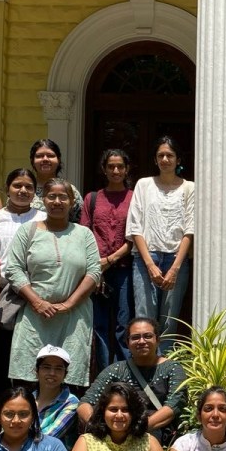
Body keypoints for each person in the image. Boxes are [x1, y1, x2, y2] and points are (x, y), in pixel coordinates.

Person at [6, 176, 102, 389]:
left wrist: (69, 304)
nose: (57, 202)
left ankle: (65, 421)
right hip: (35, 316)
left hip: (74, 318)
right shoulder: (27, 231)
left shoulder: (84, 234)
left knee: (69, 378)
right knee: (29, 378)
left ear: (71, 202)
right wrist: (38, 302)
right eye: (52, 196)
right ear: (43, 200)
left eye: (63, 197)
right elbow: (13, 269)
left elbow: (94, 272)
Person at [0, 168, 47, 397]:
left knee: (30, 351)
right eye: (17, 185)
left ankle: (29, 405)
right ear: (7, 188)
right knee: (1, 353)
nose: (23, 190)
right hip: (1, 291)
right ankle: (0, 406)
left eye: (28, 187)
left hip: (33, 292)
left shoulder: (42, 218)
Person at [126, 137, 194, 352]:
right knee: (144, 320)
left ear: (178, 159)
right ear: (155, 160)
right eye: (161, 155)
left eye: (170, 155)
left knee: (169, 322)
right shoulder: (144, 185)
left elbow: (190, 229)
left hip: (177, 260)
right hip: (146, 259)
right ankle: (142, 372)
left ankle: (163, 372)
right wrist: (150, 265)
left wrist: (175, 268)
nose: (165, 159)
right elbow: (135, 226)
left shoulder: (189, 188)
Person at [79, 317, 186, 445]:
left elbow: (174, 405)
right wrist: (101, 428)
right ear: (127, 343)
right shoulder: (116, 370)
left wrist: (136, 430)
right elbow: (84, 404)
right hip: (115, 438)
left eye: (147, 336)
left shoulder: (173, 369)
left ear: (157, 340)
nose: (141, 341)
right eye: (135, 337)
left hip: (157, 440)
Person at [83, 149, 135, 371]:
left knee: (123, 325)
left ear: (126, 169)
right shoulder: (93, 198)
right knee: (99, 325)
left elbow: (135, 236)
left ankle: (125, 373)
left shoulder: (134, 198)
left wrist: (110, 259)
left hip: (124, 269)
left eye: (120, 166)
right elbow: (84, 234)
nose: (115, 170)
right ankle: (105, 373)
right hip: (96, 271)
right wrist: (98, 265)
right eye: (111, 166)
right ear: (104, 169)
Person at [34, 346, 80, 447]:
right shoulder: (26, 399)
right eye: (46, 367)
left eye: (58, 369)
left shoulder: (70, 403)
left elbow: (48, 437)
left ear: (65, 374)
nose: (52, 373)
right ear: (36, 371)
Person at [30, 138, 81, 222]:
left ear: (58, 160)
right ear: (32, 161)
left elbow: (80, 221)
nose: (45, 159)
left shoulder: (71, 190)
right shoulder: (25, 189)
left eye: (50, 155)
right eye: (39, 156)